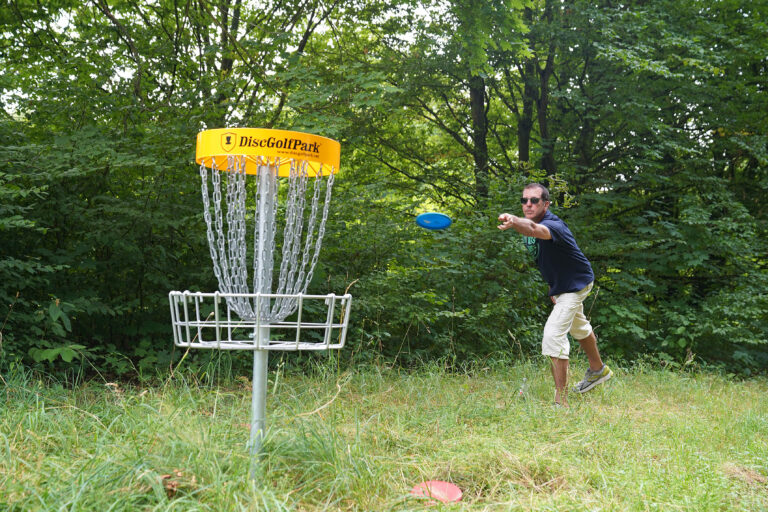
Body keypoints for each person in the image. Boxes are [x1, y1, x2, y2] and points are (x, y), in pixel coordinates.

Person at [497, 183, 612, 406]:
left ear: (546, 204)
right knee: (578, 326)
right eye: (524, 200)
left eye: (534, 201)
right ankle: (598, 370)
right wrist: (553, 285)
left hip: (577, 284)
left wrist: (515, 221)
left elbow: (533, 229)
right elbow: (547, 259)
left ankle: (561, 402)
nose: (528, 204)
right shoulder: (528, 225)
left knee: (553, 334)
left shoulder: (552, 225)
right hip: (563, 285)